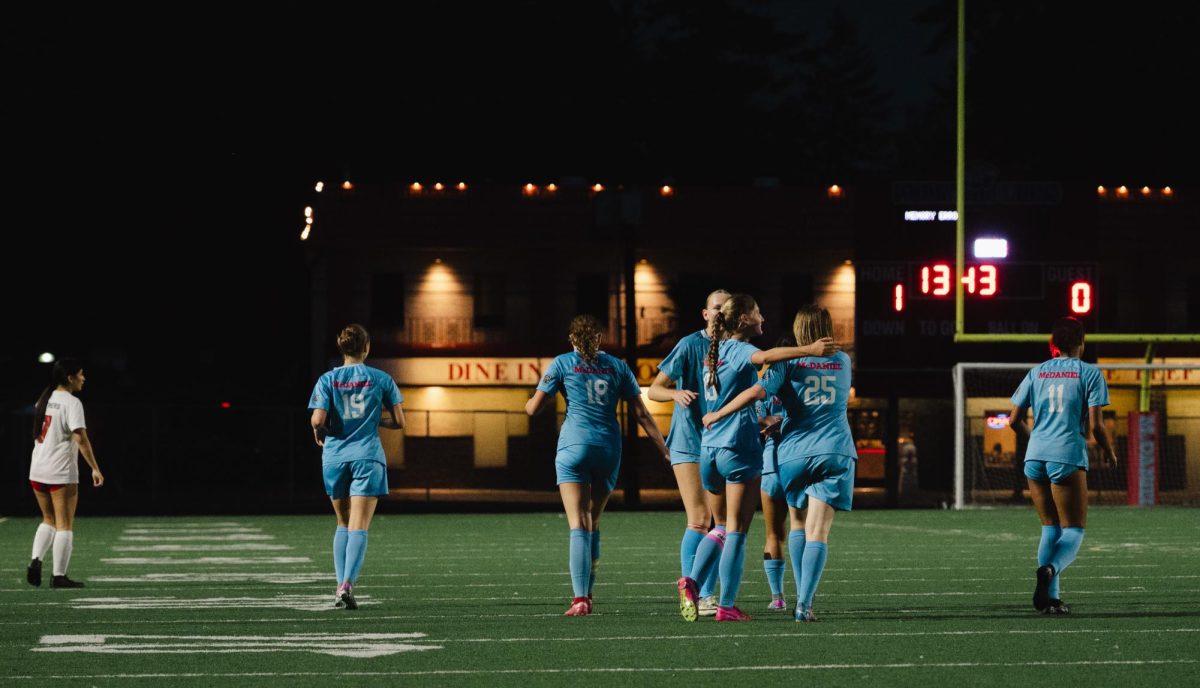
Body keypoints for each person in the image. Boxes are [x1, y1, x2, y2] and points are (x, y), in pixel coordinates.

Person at [686, 295, 839, 622]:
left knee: (719, 527)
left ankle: (693, 580)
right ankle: (726, 605)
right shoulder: (741, 348)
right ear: (742, 319)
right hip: (737, 448)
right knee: (738, 531)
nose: (763, 318)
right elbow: (767, 358)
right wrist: (808, 350)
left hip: (708, 448)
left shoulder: (713, 352)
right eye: (757, 312)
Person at [527, 315, 670, 617]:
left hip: (573, 446)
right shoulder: (618, 366)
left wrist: (537, 395)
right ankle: (589, 592)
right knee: (594, 520)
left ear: (573, 339)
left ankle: (580, 599)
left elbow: (533, 408)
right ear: (600, 339)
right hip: (607, 448)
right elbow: (642, 414)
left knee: (578, 523)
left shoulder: (563, 363)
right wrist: (665, 450)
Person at [1007, 317, 1116, 615]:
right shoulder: (1090, 373)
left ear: (1052, 345)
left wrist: (1035, 441)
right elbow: (1096, 425)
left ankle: (1051, 600)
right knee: (1074, 530)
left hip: (1035, 457)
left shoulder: (1036, 372)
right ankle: (1050, 570)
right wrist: (1109, 451)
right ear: (1082, 343)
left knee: (1049, 528)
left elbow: (1013, 420)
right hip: (1066, 455)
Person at [308, 324, 405, 610]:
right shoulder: (382, 378)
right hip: (368, 456)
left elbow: (317, 420)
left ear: (342, 348)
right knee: (359, 525)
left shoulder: (327, 379)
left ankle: (339, 587)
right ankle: (347, 584)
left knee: (342, 522)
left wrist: (318, 433)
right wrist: (378, 421)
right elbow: (400, 422)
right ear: (367, 348)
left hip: (335, 457)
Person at [648, 289, 729, 616]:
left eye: (726, 308)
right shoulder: (689, 345)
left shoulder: (735, 348)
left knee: (720, 524)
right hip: (688, 441)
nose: (721, 313)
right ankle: (696, 593)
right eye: (716, 308)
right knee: (699, 520)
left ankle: (706, 593)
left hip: (722, 442)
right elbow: (654, 389)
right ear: (705, 313)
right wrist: (675, 392)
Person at [26, 358, 104, 588]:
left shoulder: (45, 397)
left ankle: (35, 559)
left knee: (48, 519)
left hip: (38, 468)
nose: (84, 378)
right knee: (64, 524)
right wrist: (95, 468)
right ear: (69, 378)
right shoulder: (72, 402)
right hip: (59, 471)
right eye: (81, 374)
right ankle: (59, 576)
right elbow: (81, 438)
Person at [755, 353, 790, 612]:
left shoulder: (765, 388)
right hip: (801, 461)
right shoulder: (802, 383)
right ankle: (805, 596)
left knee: (773, 533)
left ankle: (778, 597)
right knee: (803, 530)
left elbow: (755, 420)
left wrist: (769, 424)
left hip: (772, 466)